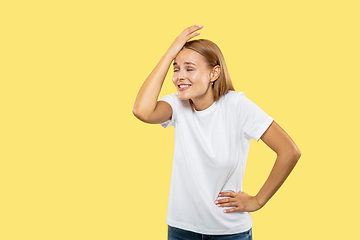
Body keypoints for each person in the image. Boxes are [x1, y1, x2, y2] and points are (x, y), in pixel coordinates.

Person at [133, 24, 301, 240]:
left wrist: (258, 200)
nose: (179, 77)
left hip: (229, 232)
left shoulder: (237, 105)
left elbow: (289, 151)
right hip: (182, 229)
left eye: (189, 68)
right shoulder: (177, 105)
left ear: (214, 73)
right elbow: (141, 111)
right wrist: (169, 53)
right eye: (176, 69)